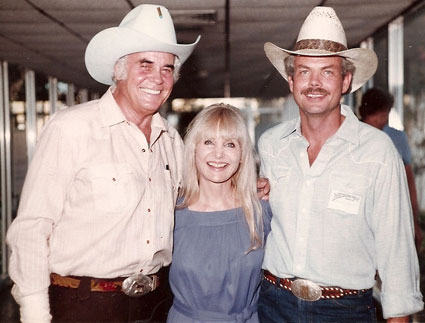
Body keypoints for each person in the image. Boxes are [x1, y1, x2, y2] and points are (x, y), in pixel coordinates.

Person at [6, 4, 200, 322]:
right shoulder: (71, 128)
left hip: (153, 304)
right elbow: (32, 228)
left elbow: (189, 206)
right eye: (145, 63)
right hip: (83, 304)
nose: (158, 77)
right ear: (118, 70)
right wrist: (35, 313)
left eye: (167, 68)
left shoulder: (171, 141)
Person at [258, 6, 423, 323]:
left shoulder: (377, 152)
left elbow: (397, 254)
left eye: (327, 72)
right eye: (304, 71)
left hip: (344, 311)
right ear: (291, 81)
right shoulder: (270, 146)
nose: (314, 83)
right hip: (273, 306)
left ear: (346, 81)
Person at [167, 104, 272, 323]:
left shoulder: (261, 210)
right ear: (193, 149)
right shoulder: (171, 213)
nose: (218, 154)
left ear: (242, 155)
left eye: (230, 144)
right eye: (208, 142)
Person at [359, 87, 423, 251]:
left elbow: (408, 181)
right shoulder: (353, 135)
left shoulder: (396, 137)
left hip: (392, 216)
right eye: (383, 114)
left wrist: (413, 221)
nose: (385, 119)